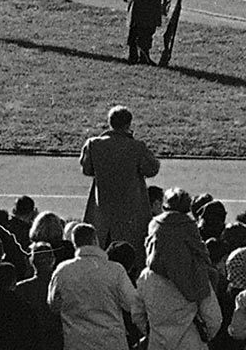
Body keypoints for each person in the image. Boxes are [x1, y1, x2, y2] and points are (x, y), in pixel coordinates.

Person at [78, 107, 159, 252]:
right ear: (128, 124)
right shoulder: (136, 147)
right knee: (131, 254)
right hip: (131, 212)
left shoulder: (94, 144)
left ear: (110, 123)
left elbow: (86, 169)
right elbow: (152, 169)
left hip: (102, 210)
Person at [49, 223, 141, 350]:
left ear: (75, 242)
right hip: (111, 342)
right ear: (95, 240)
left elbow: (54, 304)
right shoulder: (115, 270)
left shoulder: (62, 271)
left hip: (77, 342)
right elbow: (132, 304)